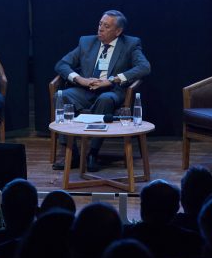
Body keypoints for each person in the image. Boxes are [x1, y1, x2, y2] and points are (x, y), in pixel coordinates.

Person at [54, 10, 151, 172]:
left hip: (112, 91)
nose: (100, 29)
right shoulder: (86, 42)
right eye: (100, 24)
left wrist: (112, 80)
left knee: (105, 99)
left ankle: (93, 153)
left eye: (106, 26)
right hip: (86, 90)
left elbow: (144, 67)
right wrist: (80, 79)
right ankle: (72, 153)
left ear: (118, 31)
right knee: (63, 96)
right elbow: (61, 64)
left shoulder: (130, 44)